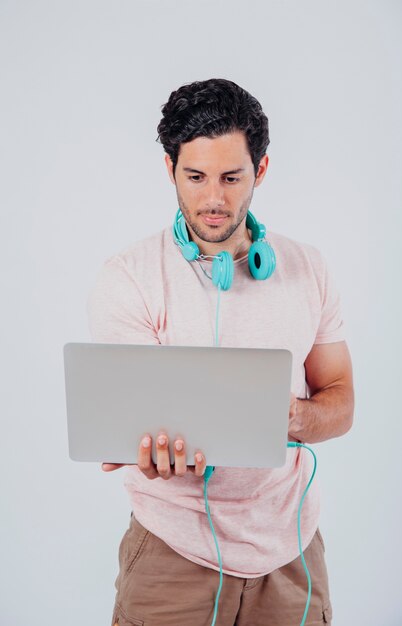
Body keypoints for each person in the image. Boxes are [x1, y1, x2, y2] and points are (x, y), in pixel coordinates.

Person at [87, 78, 354, 626]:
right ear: (169, 170)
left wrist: (294, 414)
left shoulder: (311, 269)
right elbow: (129, 419)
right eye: (195, 176)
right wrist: (147, 448)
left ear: (260, 171)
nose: (214, 198)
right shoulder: (128, 278)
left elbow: (342, 401)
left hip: (292, 556)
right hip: (171, 555)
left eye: (232, 177)